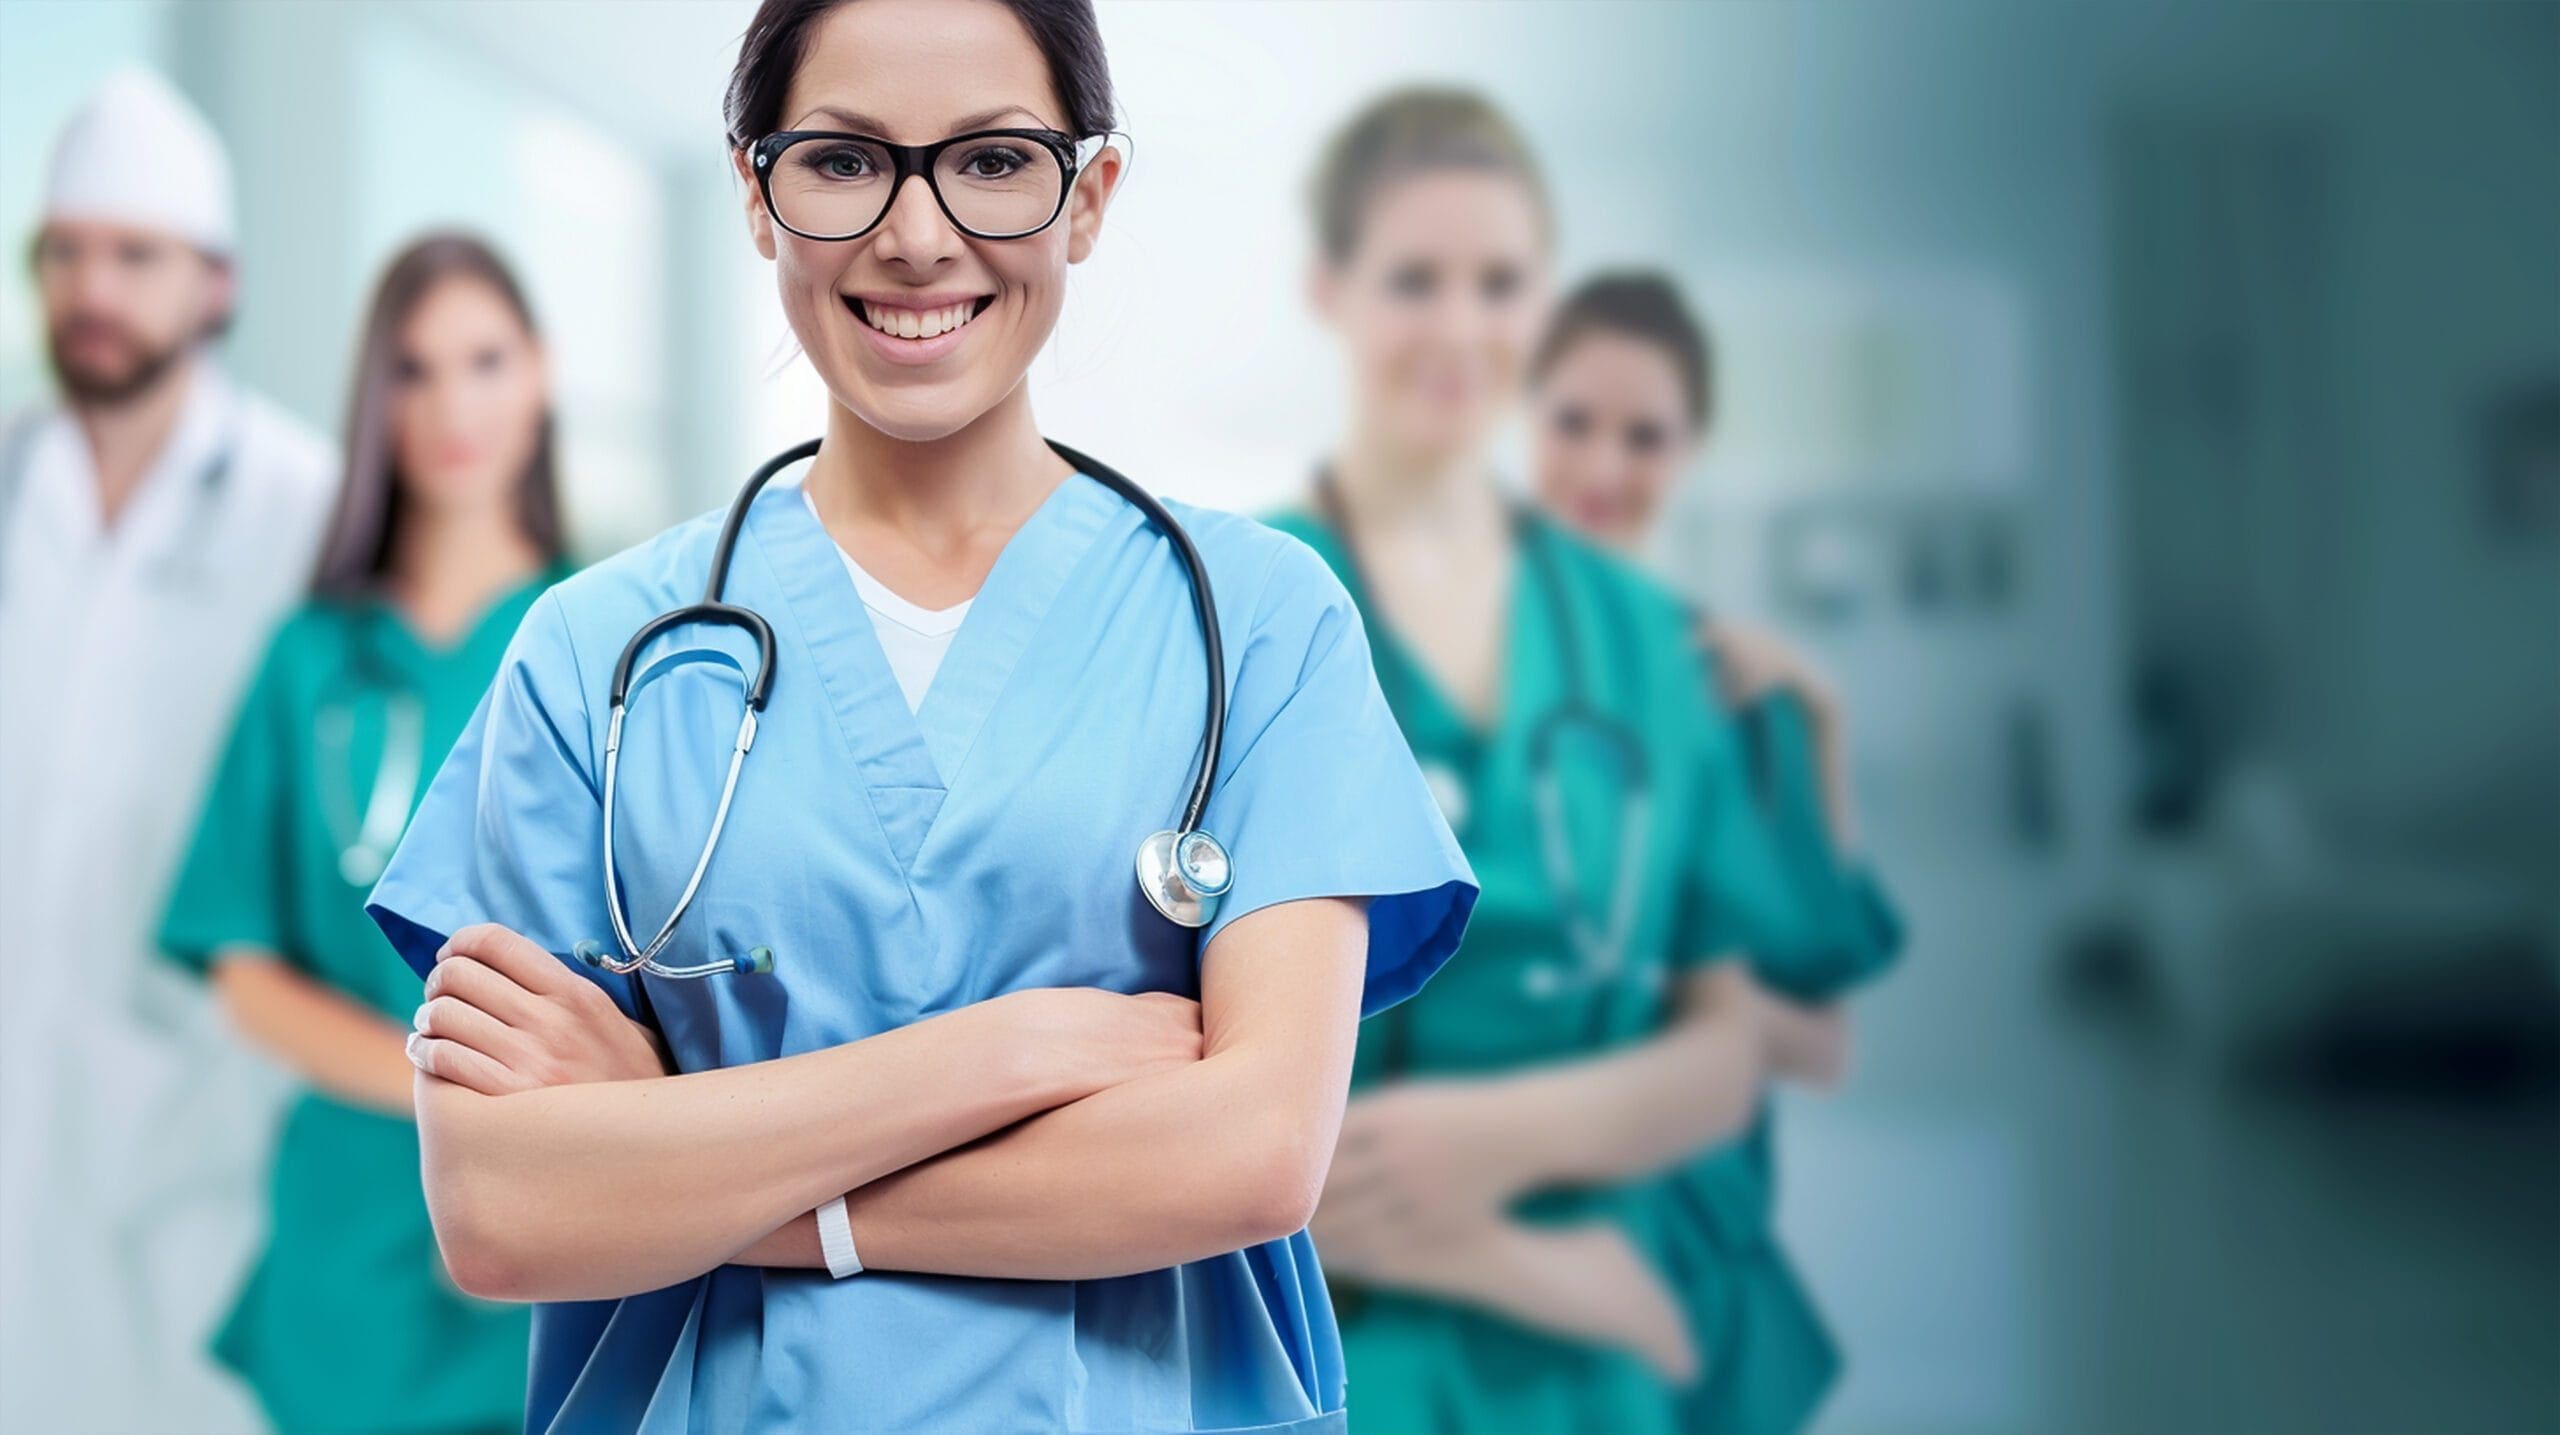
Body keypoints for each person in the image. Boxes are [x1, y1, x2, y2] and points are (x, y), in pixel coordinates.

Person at [365, 2, 1474, 1431]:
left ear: (1089, 196)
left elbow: (1254, 1153)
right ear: (756, 192)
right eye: (843, 161)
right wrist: (1002, 1056)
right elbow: (505, 1210)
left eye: (993, 161)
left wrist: (689, 1148)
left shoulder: (1259, 621)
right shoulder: (593, 655)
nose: (916, 235)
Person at [1271, 88, 1895, 1435]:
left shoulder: (1645, 638)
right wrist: (1473, 1247)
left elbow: (1727, 1040)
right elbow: (1167, 1042)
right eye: (1414, 279)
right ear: (1329, 289)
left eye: (1499, 283)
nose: (1460, 327)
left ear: (1543, 301)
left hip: (1592, 1357)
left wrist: (1493, 1150)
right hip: (1319, 1347)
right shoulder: (1234, 604)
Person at [156, 233, 575, 1435]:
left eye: (485, 361)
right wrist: (448, 1091)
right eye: (413, 369)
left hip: (559, 1230)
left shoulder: (610, 642)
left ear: (541, 375)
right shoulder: (311, 660)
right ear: (374, 398)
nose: (453, 407)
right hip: (352, 1248)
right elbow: (241, 964)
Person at [0, 67, 335, 1434]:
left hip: (205, 1131)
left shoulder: (305, 510)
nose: (94, 289)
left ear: (215, 283)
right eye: (65, 252)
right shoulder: (11, 480)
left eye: (135, 256)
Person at [1531, 269, 1905, 1434]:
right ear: (1523, 415)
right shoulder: (1438, 666)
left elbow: (1823, 1043)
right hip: (1489, 1248)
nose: (1603, 465)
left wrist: (1675, 994)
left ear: (1690, 450)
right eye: (1573, 421)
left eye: (1644, 436)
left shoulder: (1736, 690)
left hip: (1689, 1252)